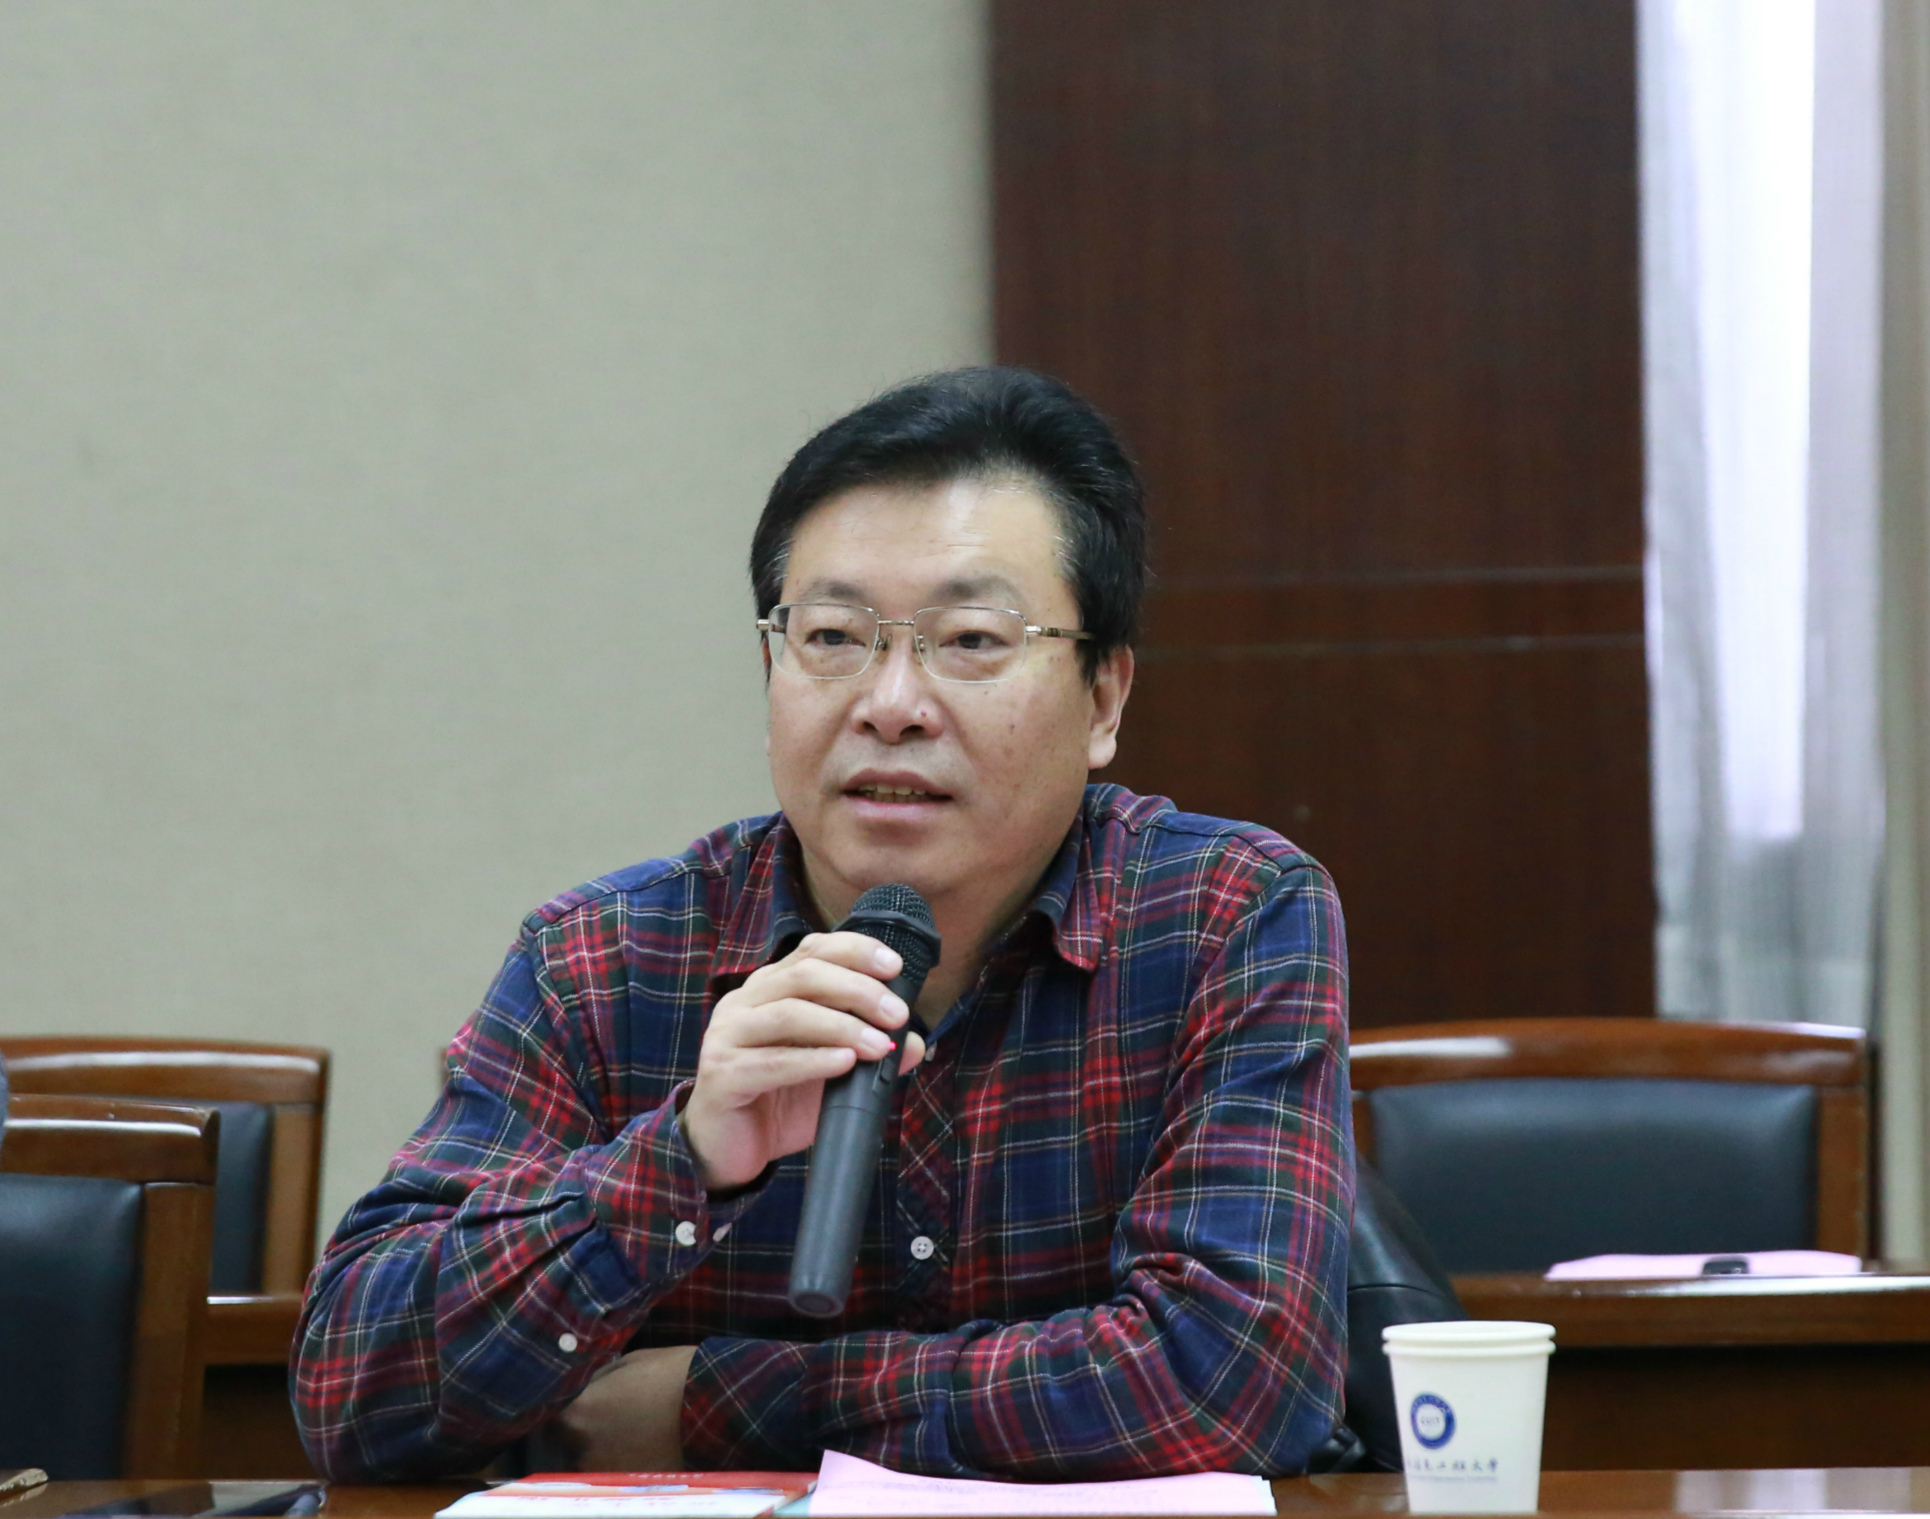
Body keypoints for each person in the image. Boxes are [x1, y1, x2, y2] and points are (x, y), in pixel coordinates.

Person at [293, 367, 1353, 1482]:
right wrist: (681, 1159)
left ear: (1103, 698)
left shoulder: (1225, 914)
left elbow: (1237, 1379)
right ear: (772, 670)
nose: (889, 704)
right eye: (835, 636)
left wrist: (703, 1403)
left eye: (971, 639)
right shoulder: (603, 958)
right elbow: (352, 1390)